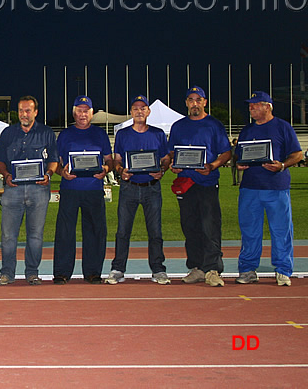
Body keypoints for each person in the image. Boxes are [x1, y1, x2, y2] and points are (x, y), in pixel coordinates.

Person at [235, 91, 302, 286]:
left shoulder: (282, 127)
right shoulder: (246, 130)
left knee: (281, 230)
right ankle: (247, 269)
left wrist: (282, 165)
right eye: (250, 105)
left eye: (256, 104)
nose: (251, 108)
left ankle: (283, 270)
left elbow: (297, 154)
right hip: (250, 188)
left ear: (268, 106)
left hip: (276, 187)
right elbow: (239, 156)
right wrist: (240, 163)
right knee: (249, 231)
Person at [168, 86, 231, 287]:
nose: (194, 103)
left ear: (204, 102)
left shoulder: (214, 125)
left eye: (198, 100)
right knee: (190, 227)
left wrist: (212, 166)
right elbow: (172, 153)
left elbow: (226, 152)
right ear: (186, 102)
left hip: (207, 183)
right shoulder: (178, 126)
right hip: (186, 184)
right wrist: (173, 165)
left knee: (210, 227)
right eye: (190, 100)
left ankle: (212, 268)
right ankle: (197, 267)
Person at [106, 95, 170, 285]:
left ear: (148, 111)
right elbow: (117, 159)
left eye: (143, 108)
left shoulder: (158, 134)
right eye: (135, 108)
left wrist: (162, 170)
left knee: (155, 231)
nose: (139, 111)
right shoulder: (123, 134)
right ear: (131, 112)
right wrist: (120, 171)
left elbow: (165, 158)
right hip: (129, 188)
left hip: (152, 188)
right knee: (123, 231)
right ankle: (118, 268)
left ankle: (158, 269)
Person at [0, 95, 58, 285]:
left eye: (28, 110)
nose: (24, 114)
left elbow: (53, 160)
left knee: (35, 235)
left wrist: (48, 174)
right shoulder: (8, 133)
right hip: (12, 190)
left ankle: (32, 272)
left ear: (35, 112)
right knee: (8, 235)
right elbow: (0, 161)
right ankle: (7, 272)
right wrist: (6, 175)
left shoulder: (47, 132)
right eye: (21, 110)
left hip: (38, 190)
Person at [54, 96, 112, 285]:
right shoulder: (65, 134)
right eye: (79, 110)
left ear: (92, 113)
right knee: (65, 232)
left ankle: (93, 272)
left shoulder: (100, 134)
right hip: (70, 188)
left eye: (86, 110)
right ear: (74, 112)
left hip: (94, 189)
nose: (82, 114)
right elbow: (56, 163)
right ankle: (62, 272)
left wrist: (106, 169)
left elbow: (109, 160)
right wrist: (61, 172)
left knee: (95, 231)